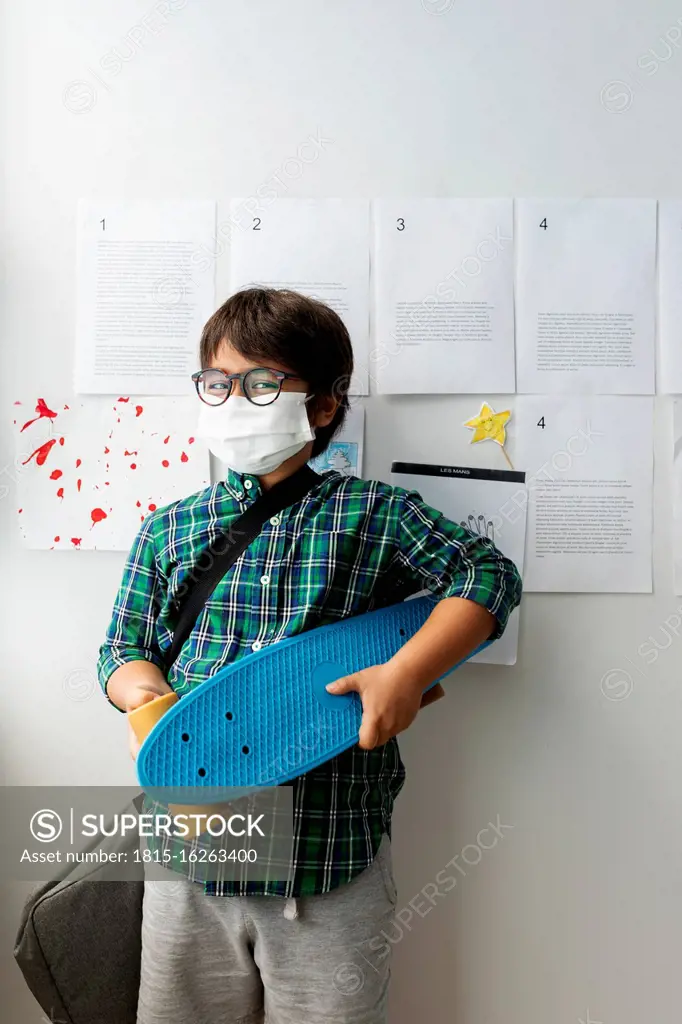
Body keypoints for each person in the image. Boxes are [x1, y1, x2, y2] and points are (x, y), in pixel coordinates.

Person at [97, 287, 522, 1024]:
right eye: (218, 383)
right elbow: (121, 646)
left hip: (329, 860)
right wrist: (140, 694)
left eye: (262, 384)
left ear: (323, 407)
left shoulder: (374, 514)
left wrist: (408, 672)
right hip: (189, 856)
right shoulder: (170, 529)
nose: (234, 400)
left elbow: (488, 579)